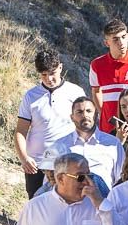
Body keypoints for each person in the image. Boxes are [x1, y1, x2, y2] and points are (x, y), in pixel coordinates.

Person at [13, 49, 85, 199]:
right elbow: (20, 131)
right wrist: (24, 158)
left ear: (60, 67)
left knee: (66, 203)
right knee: (35, 203)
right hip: (36, 163)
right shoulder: (31, 96)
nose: (49, 78)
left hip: (66, 162)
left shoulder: (76, 92)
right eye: (44, 74)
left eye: (52, 73)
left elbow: (85, 126)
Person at [54, 97, 124, 191]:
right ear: (72, 117)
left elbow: (122, 177)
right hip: (70, 201)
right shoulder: (60, 145)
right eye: (79, 112)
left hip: (104, 200)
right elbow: (51, 181)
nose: (85, 115)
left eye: (89, 111)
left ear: (96, 114)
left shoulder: (113, 143)